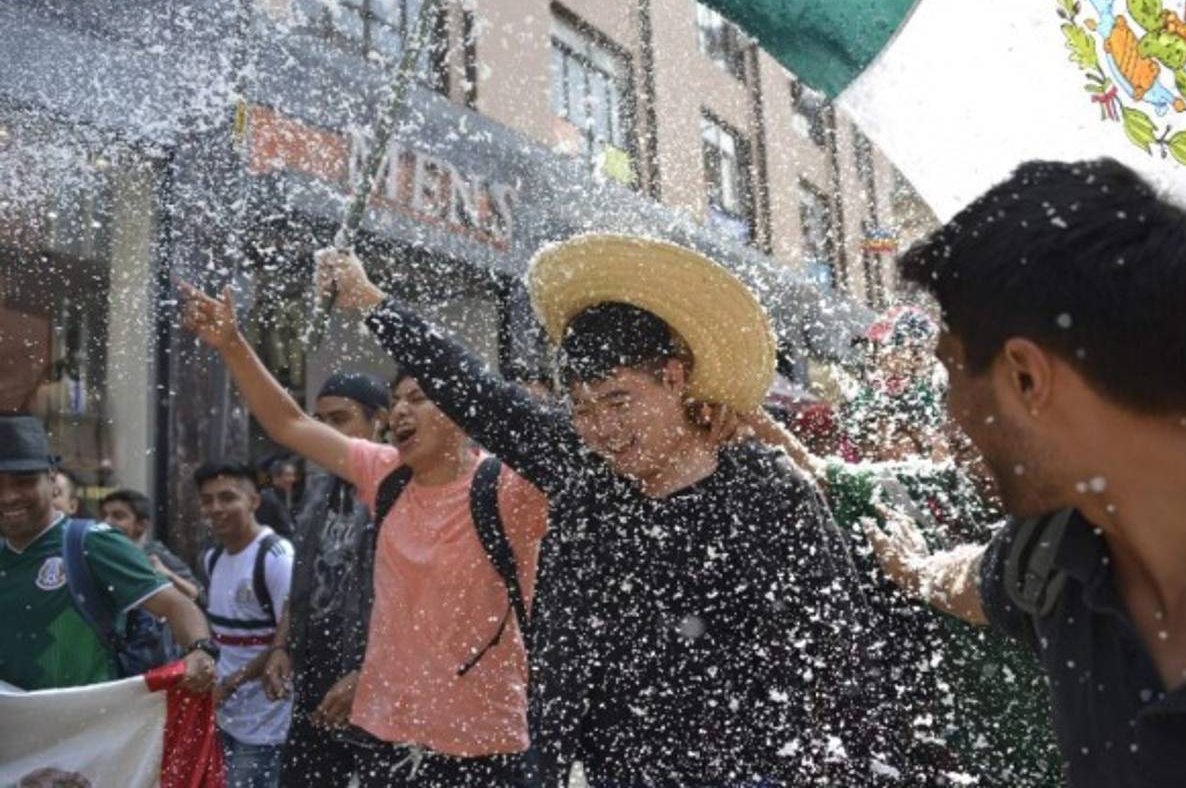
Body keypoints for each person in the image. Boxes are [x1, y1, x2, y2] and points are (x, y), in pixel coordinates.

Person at [304, 233, 874, 786]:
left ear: (673, 378)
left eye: (618, 399)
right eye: (582, 407)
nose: (603, 428)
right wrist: (372, 303)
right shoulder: (585, 474)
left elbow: (841, 647)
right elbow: (477, 392)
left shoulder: (767, 493)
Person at [869, 158, 1186, 787]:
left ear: (1026, 378)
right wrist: (915, 568)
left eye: (950, 373)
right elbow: (973, 581)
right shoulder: (1056, 549)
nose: (949, 417)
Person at [181, 290, 548, 787]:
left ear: (463, 412)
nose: (399, 411)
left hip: (483, 745)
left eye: (418, 398)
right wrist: (232, 344)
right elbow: (289, 423)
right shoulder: (386, 474)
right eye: (396, 399)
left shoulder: (509, 489)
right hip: (386, 738)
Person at [0, 414, 216, 693]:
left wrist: (199, 650)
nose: (7, 496)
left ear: (53, 479)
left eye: (23, 481)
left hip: (92, 726)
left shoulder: (90, 542)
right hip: (15, 729)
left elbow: (177, 606)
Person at [260, 372, 394, 786]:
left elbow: (414, 603)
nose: (327, 432)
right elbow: (305, 582)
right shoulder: (318, 491)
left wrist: (368, 673)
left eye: (341, 419)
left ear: (380, 421)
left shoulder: (399, 489)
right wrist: (281, 645)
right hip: (315, 679)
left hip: (378, 687)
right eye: (319, 420)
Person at [194, 461, 294, 788]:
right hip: (225, 718)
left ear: (254, 501)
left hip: (266, 724)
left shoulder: (276, 556)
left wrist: (232, 683)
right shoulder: (212, 558)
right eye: (207, 500)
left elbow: (289, 636)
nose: (215, 508)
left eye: (227, 498)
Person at [100, 489, 200, 601]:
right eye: (103, 516)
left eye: (118, 516)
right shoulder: (97, 553)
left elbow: (196, 594)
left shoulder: (154, 555)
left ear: (141, 525)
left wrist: (167, 575)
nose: (107, 522)